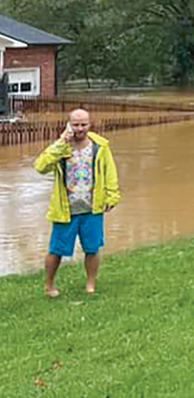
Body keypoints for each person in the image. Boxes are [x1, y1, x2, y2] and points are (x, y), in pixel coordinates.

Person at [34, 108, 120, 297]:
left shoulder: (100, 146)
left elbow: (110, 172)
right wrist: (60, 143)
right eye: (75, 125)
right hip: (65, 210)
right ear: (68, 125)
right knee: (56, 250)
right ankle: (49, 285)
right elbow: (40, 166)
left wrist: (112, 196)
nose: (79, 129)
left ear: (89, 125)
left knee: (92, 249)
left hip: (92, 208)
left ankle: (91, 284)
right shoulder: (61, 147)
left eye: (83, 124)